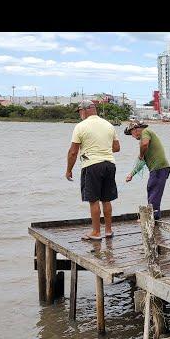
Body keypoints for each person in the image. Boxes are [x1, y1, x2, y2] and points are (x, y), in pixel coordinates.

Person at [65, 99, 120, 240]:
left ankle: (96, 232)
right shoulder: (109, 125)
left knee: (93, 200)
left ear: (85, 110)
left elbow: (73, 152)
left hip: (92, 165)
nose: (79, 115)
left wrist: (69, 170)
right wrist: (103, 146)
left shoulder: (80, 126)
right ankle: (108, 230)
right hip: (109, 164)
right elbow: (116, 148)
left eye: (79, 112)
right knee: (107, 199)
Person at [124, 120, 170, 220]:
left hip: (159, 168)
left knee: (154, 191)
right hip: (158, 169)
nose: (132, 136)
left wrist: (140, 154)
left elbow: (144, 146)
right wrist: (131, 174)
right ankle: (154, 216)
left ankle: (151, 216)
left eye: (131, 133)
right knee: (152, 190)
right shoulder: (143, 141)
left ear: (136, 129)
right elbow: (142, 161)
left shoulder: (145, 132)